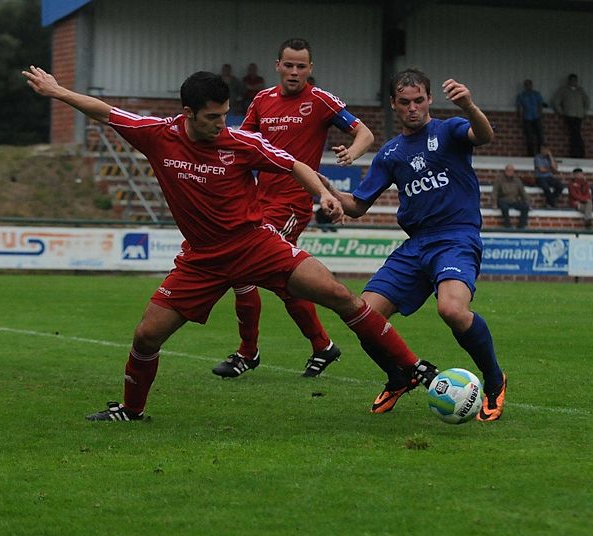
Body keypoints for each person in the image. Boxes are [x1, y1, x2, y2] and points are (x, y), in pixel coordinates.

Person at [22, 66, 439, 421]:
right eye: (212, 118)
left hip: (255, 244)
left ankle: (409, 366)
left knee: (338, 294)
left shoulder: (240, 142)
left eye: (225, 115)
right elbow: (106, 112)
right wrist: (58, 91)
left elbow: (293, 164)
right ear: (187, 114)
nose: (221, 124)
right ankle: (130, 411)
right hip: (202, 260)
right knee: (146, 337)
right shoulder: (157, 135)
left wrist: (324, 195)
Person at [323, 68, 507, 421]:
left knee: (452, 310)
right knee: (363, 316)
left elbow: (484, 135)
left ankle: (495, 381)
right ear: (394, 104)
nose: (413, 108)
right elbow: (359, 206)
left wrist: (469, 105)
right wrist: (326, 190)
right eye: (404, 102)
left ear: (429, 100)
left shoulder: (449, 129)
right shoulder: (390, 154)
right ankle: (399, 376)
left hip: (455, 237)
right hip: (416, 245)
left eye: (419, 100)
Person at [212, 38, 375, 379]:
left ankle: (249, 353)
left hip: (291, 205)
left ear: (310, 69)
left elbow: (364, 132)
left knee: (251, 271)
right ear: (278, 65)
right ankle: (321, 346)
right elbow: (241, 144)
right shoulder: (262, 99)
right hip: (256, 202)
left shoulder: (319, 100)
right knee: (284, 281)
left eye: (301, 66)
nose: (294, 72)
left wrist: (353, 154)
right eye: (289, 65)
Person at [551, 73, 589, 158]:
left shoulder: (580, 90)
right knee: (574, 134)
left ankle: (578, 152)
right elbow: (555, 102)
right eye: (572, 80)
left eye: (575, 80)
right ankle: (576, 153)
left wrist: (584, 112)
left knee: (577, 134)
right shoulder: (563, 90)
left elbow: (587, 101)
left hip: (579, 115)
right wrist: (561, 112)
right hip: (569, 115)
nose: (573, 82)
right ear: (569, 80)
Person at [493, 164, 529, 228]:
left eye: (512, 170)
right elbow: (495, 192)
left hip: (514, 200)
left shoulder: (517, 181)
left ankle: (521, 226)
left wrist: (527, 202)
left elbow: (523, 192)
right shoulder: (499, 180)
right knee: (504, 208)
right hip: (503, 200)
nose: (510, 172)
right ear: (505, 171)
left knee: (525, 207)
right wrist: (494, 203)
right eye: (508, 170)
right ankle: (508, 226)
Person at [515, 79, 545, 157]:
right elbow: (520, 108)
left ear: (531, 85)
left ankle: (539, 154)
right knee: (529, 137)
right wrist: (520, 118)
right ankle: (530, 154)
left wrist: (540, 115)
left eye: (529, 84)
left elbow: (540, 105)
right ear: (525, 86)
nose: (528, 86)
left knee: (540, 136)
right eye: (526, 85)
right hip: (527, 118)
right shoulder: (521, 95)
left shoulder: (536, 94)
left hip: (536, 117)